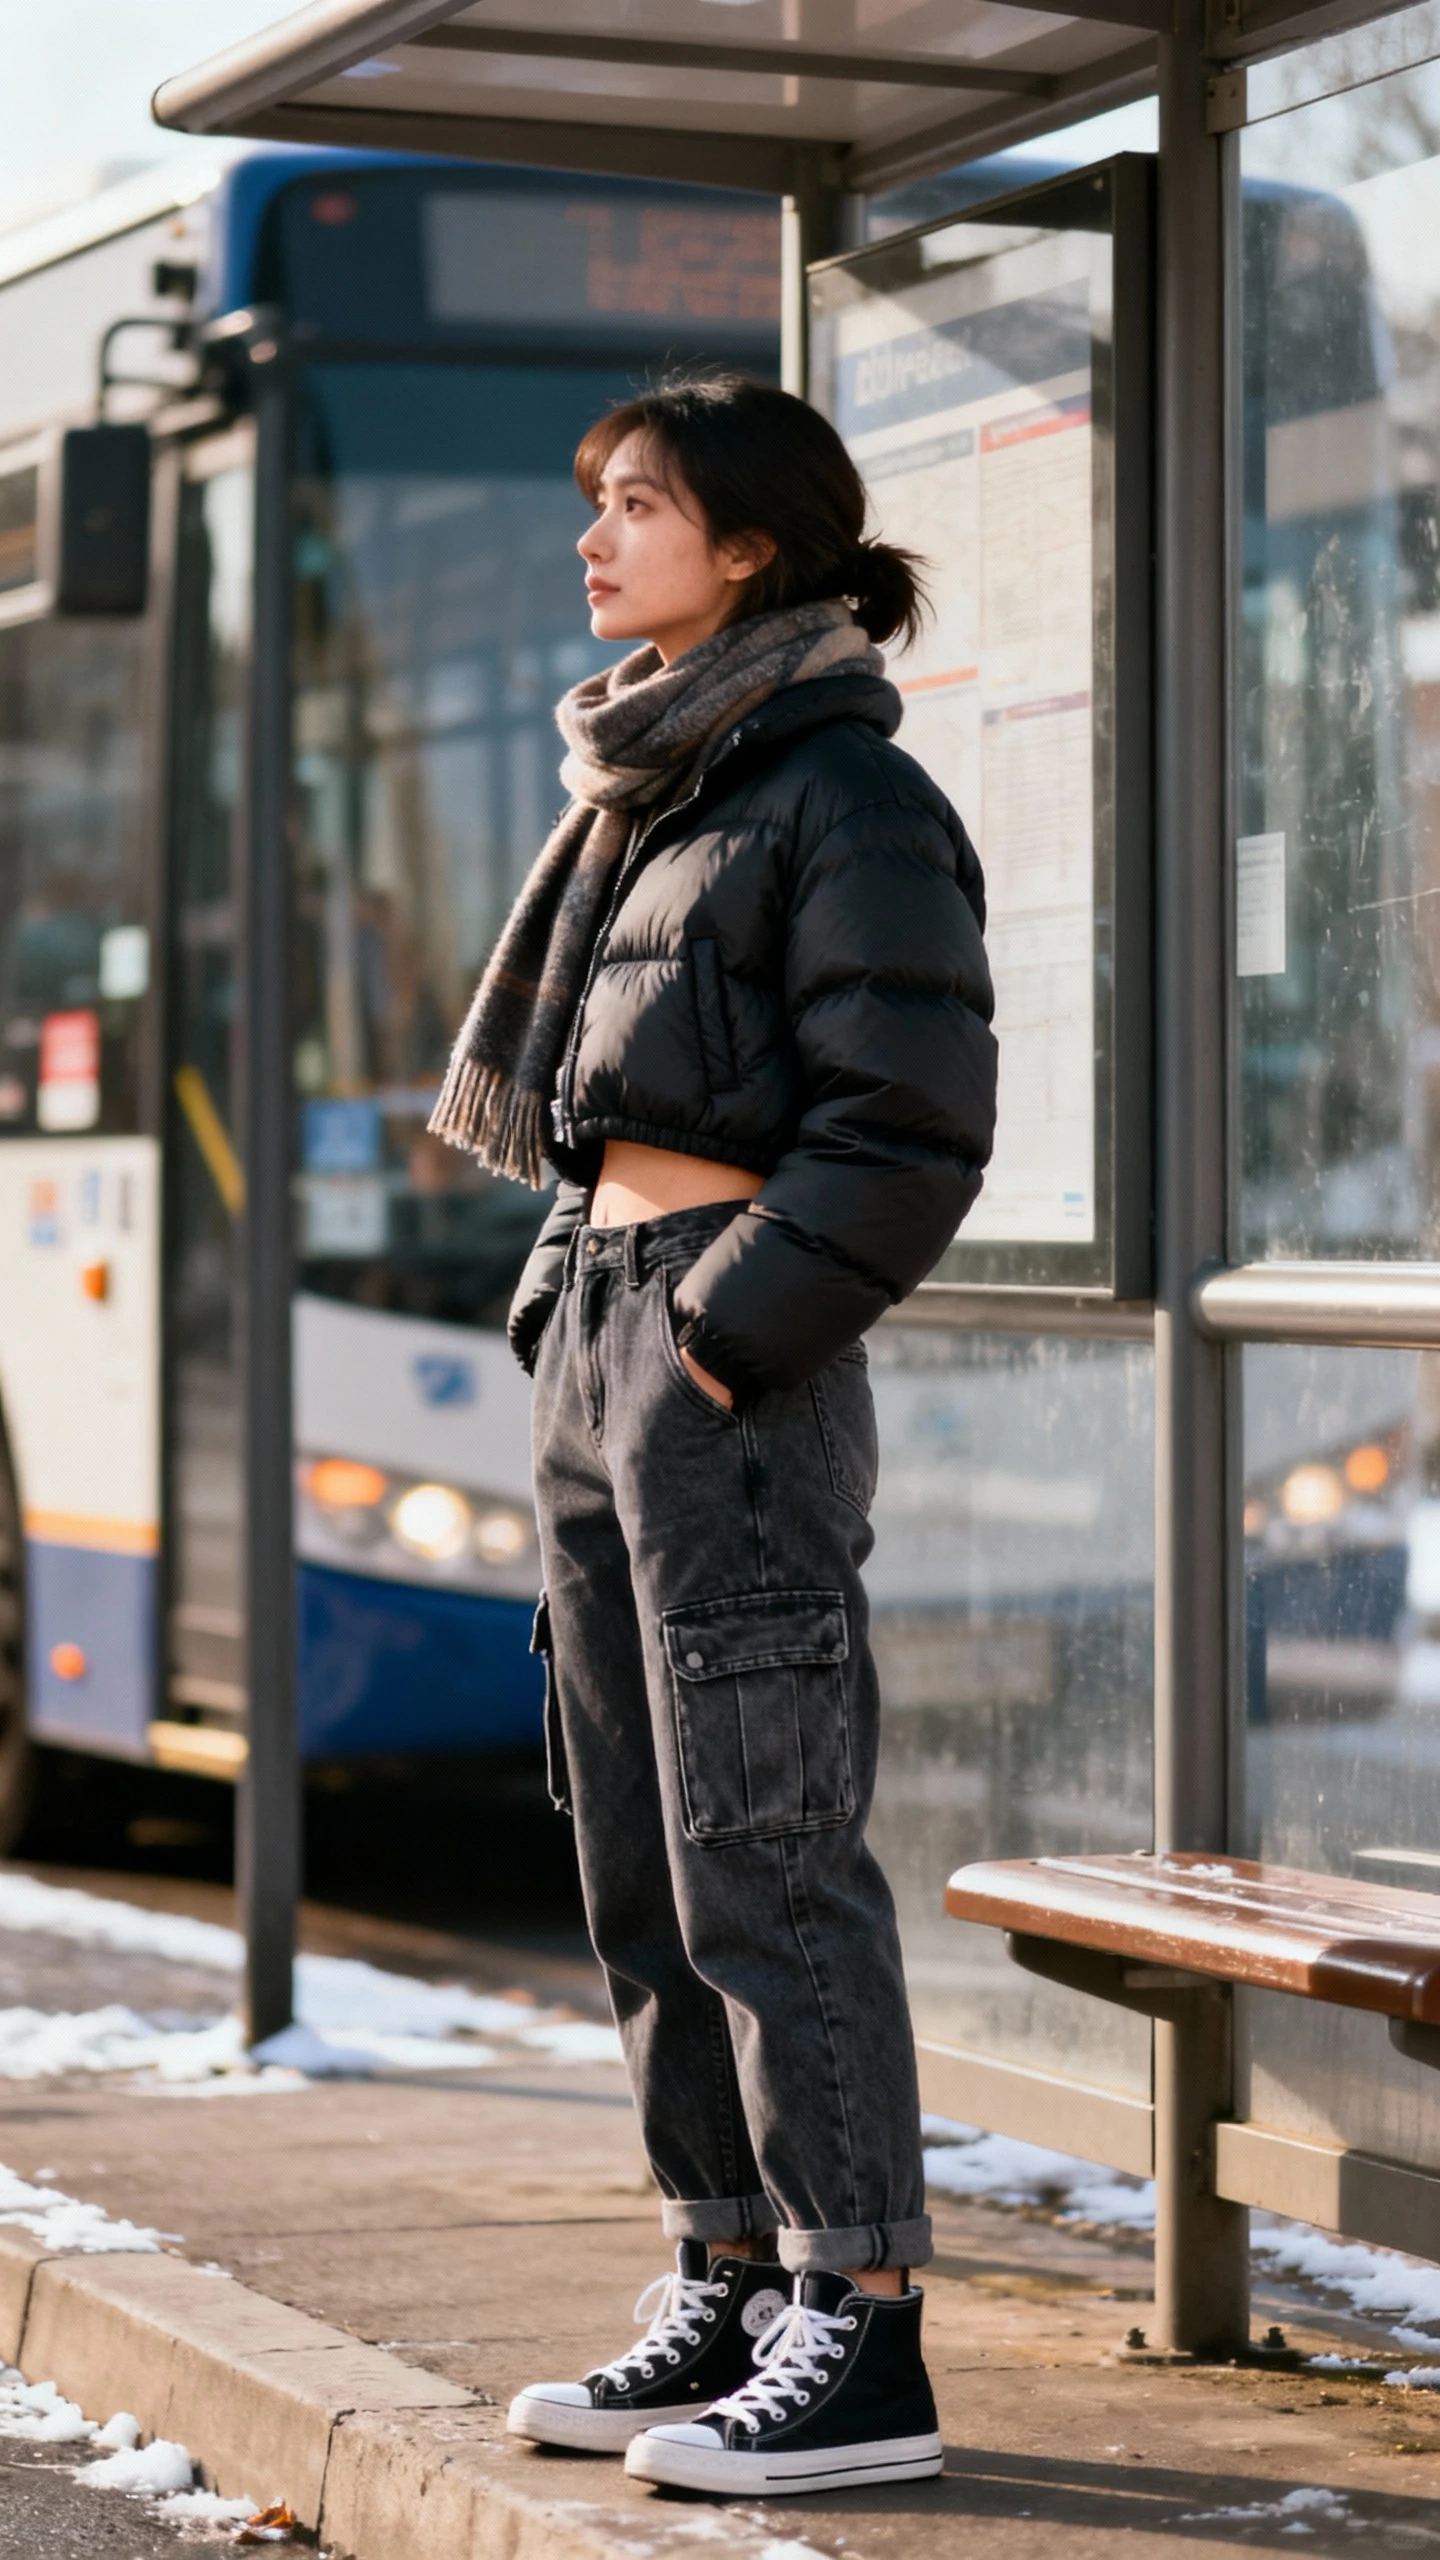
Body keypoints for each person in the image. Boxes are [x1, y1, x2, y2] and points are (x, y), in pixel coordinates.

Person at [429, 372, 996, 2498]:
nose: (592, 541)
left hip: (712, 1345)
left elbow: (910, 1129)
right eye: (597, 504)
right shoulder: (658, 783)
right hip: (606, 1319)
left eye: (635, 506)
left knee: (762, 1839)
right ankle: (728, 2273)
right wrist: (575, 1296)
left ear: (750, 544)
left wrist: (724, 1336)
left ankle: (861, 2327)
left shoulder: (843, 796)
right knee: (632, 1850)